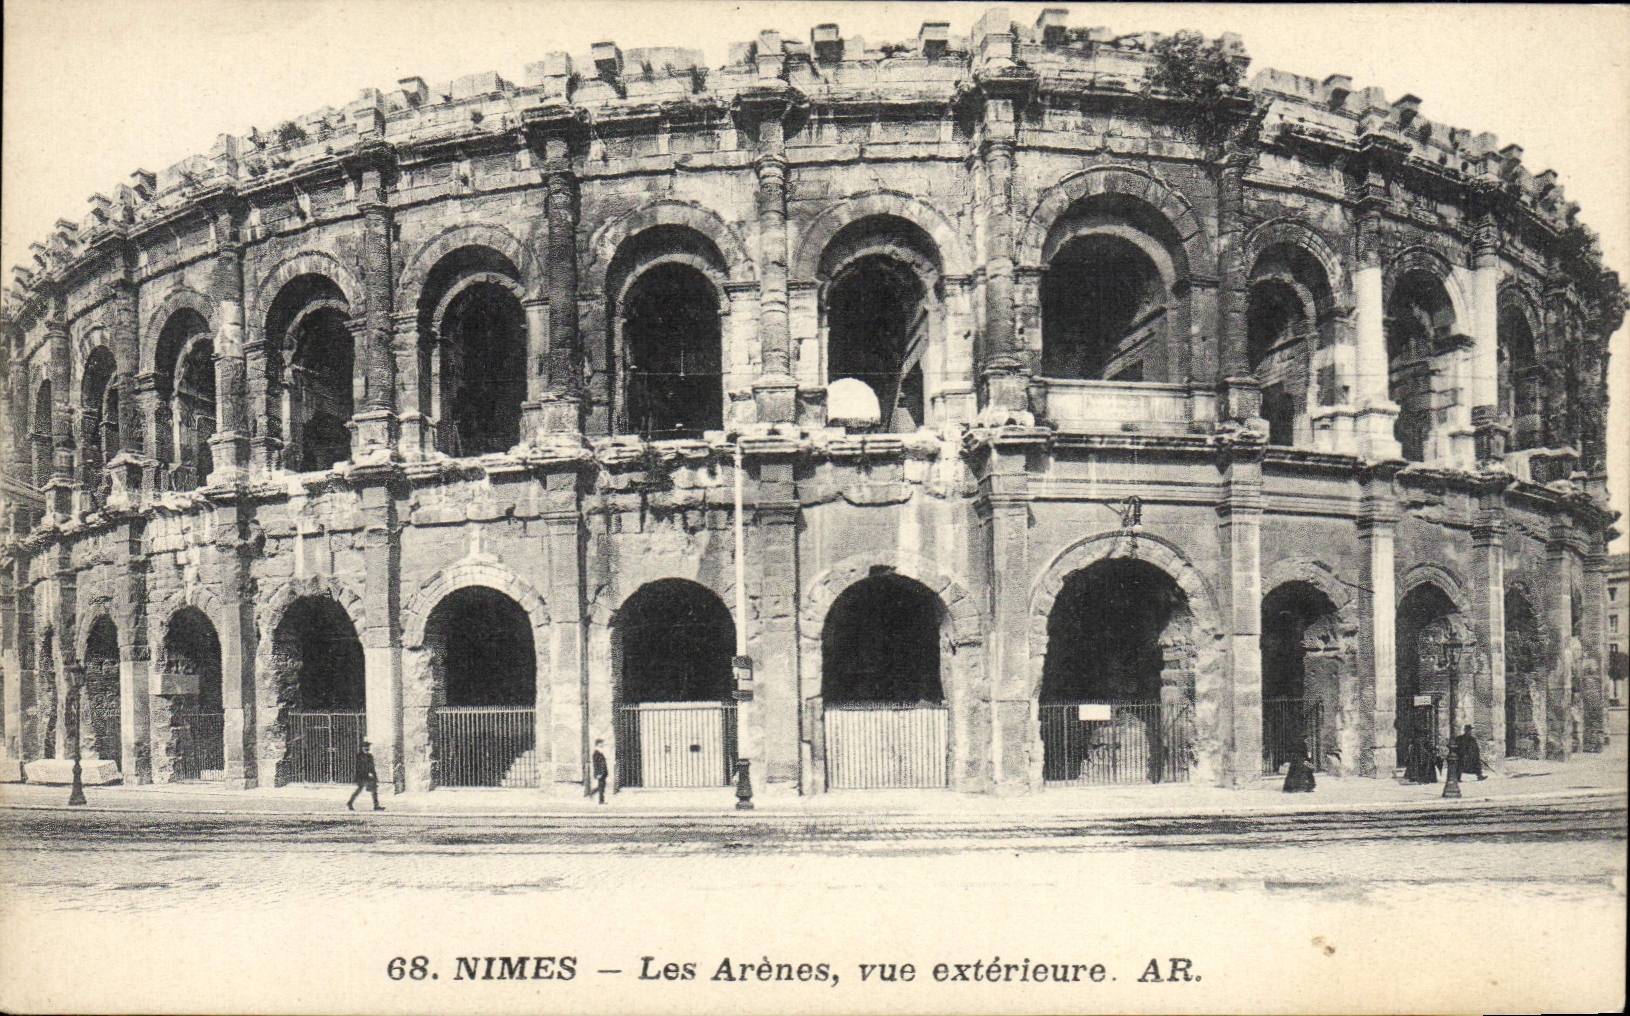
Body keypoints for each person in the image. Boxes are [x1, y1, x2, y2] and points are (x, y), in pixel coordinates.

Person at [348, 740, 384, 811]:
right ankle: (350, 802)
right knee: (359, 790)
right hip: (362, 776)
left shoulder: (370, 756)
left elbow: (372, 767)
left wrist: (375, 776)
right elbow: (358, 767)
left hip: (368, 776)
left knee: (373, 790)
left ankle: (376, 805)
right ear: (362, 748)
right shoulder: (359, 756)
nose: (367, 748)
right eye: (365, 747)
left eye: (368, 747)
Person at [589, 739, 609, 804]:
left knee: (602, 786)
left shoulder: (600, 752)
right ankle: (601, 800)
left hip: (603, 772)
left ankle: (592, 793)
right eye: (601, 743)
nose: (602, 744)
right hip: (600, 772)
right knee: (601, 786)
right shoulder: (596, 753)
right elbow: (596, 764)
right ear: (597, 744)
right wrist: (598, 773)